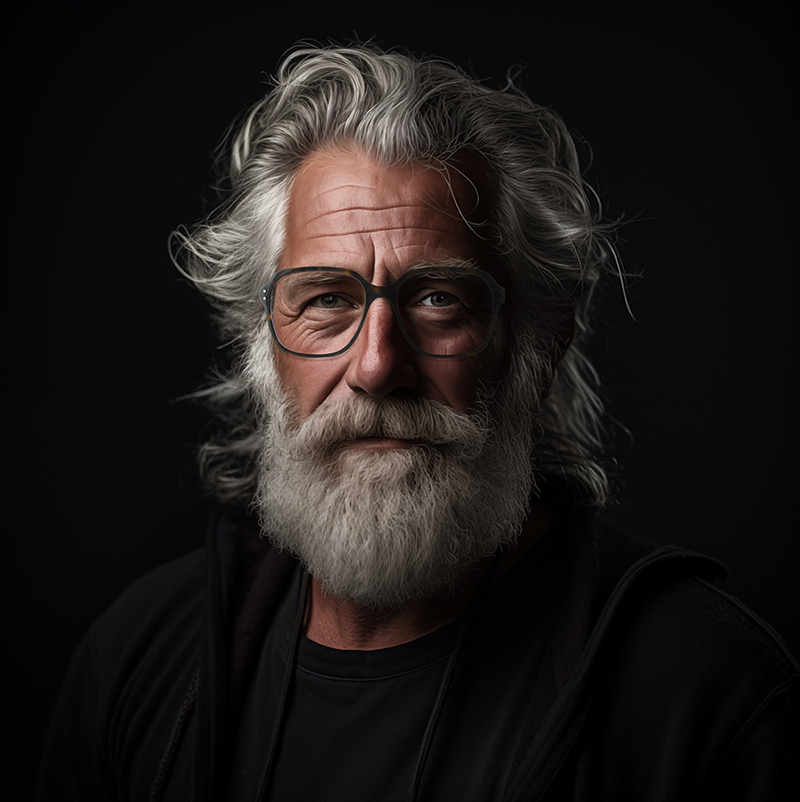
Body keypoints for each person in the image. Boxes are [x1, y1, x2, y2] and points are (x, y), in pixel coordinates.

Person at [37, 44, 796, 801]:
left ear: (541, 340)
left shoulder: (707, 695)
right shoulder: (139, 659)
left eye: (438, 298)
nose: (375, 366)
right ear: (258, 344)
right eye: (326, 299)